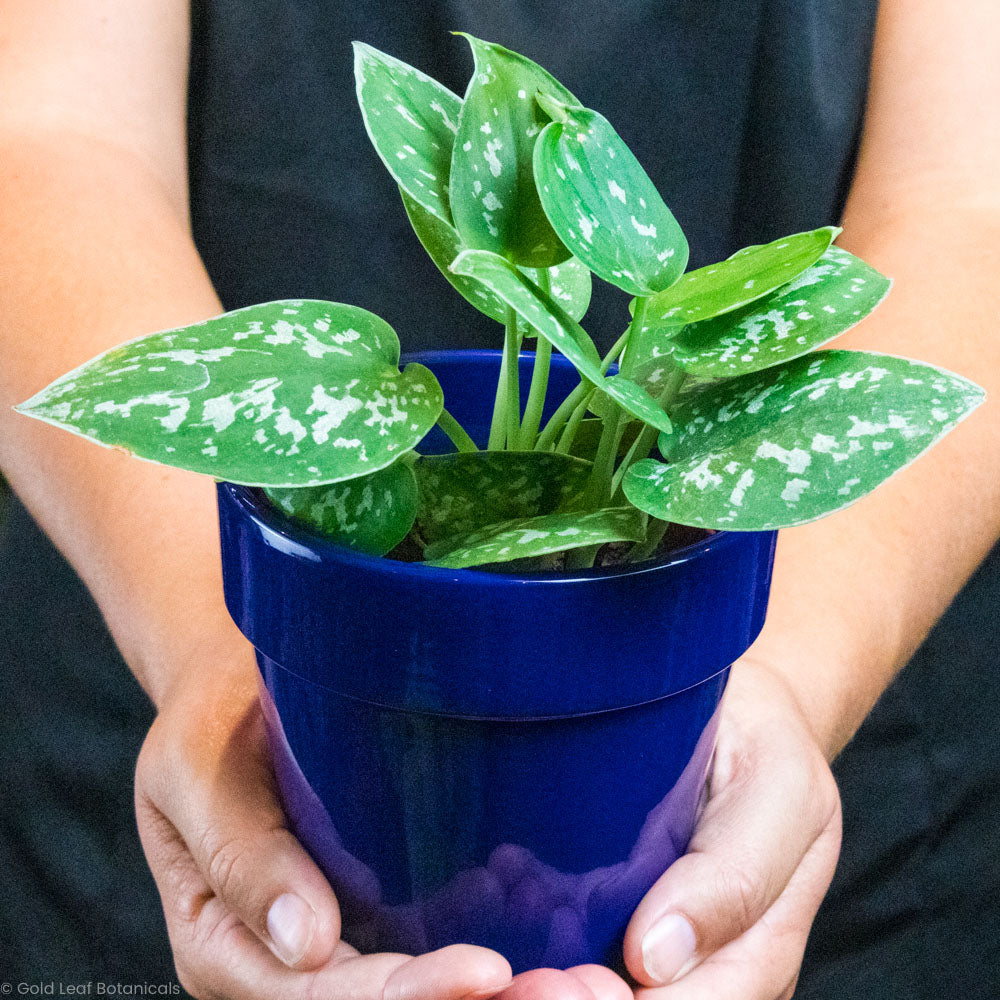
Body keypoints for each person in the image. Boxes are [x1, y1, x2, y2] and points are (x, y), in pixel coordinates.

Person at [0, 1, 998, 998]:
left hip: (841, 736)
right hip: (173, 685)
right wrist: (230, 681)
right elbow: (45, 134)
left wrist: (775, 692)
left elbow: (969, 193)